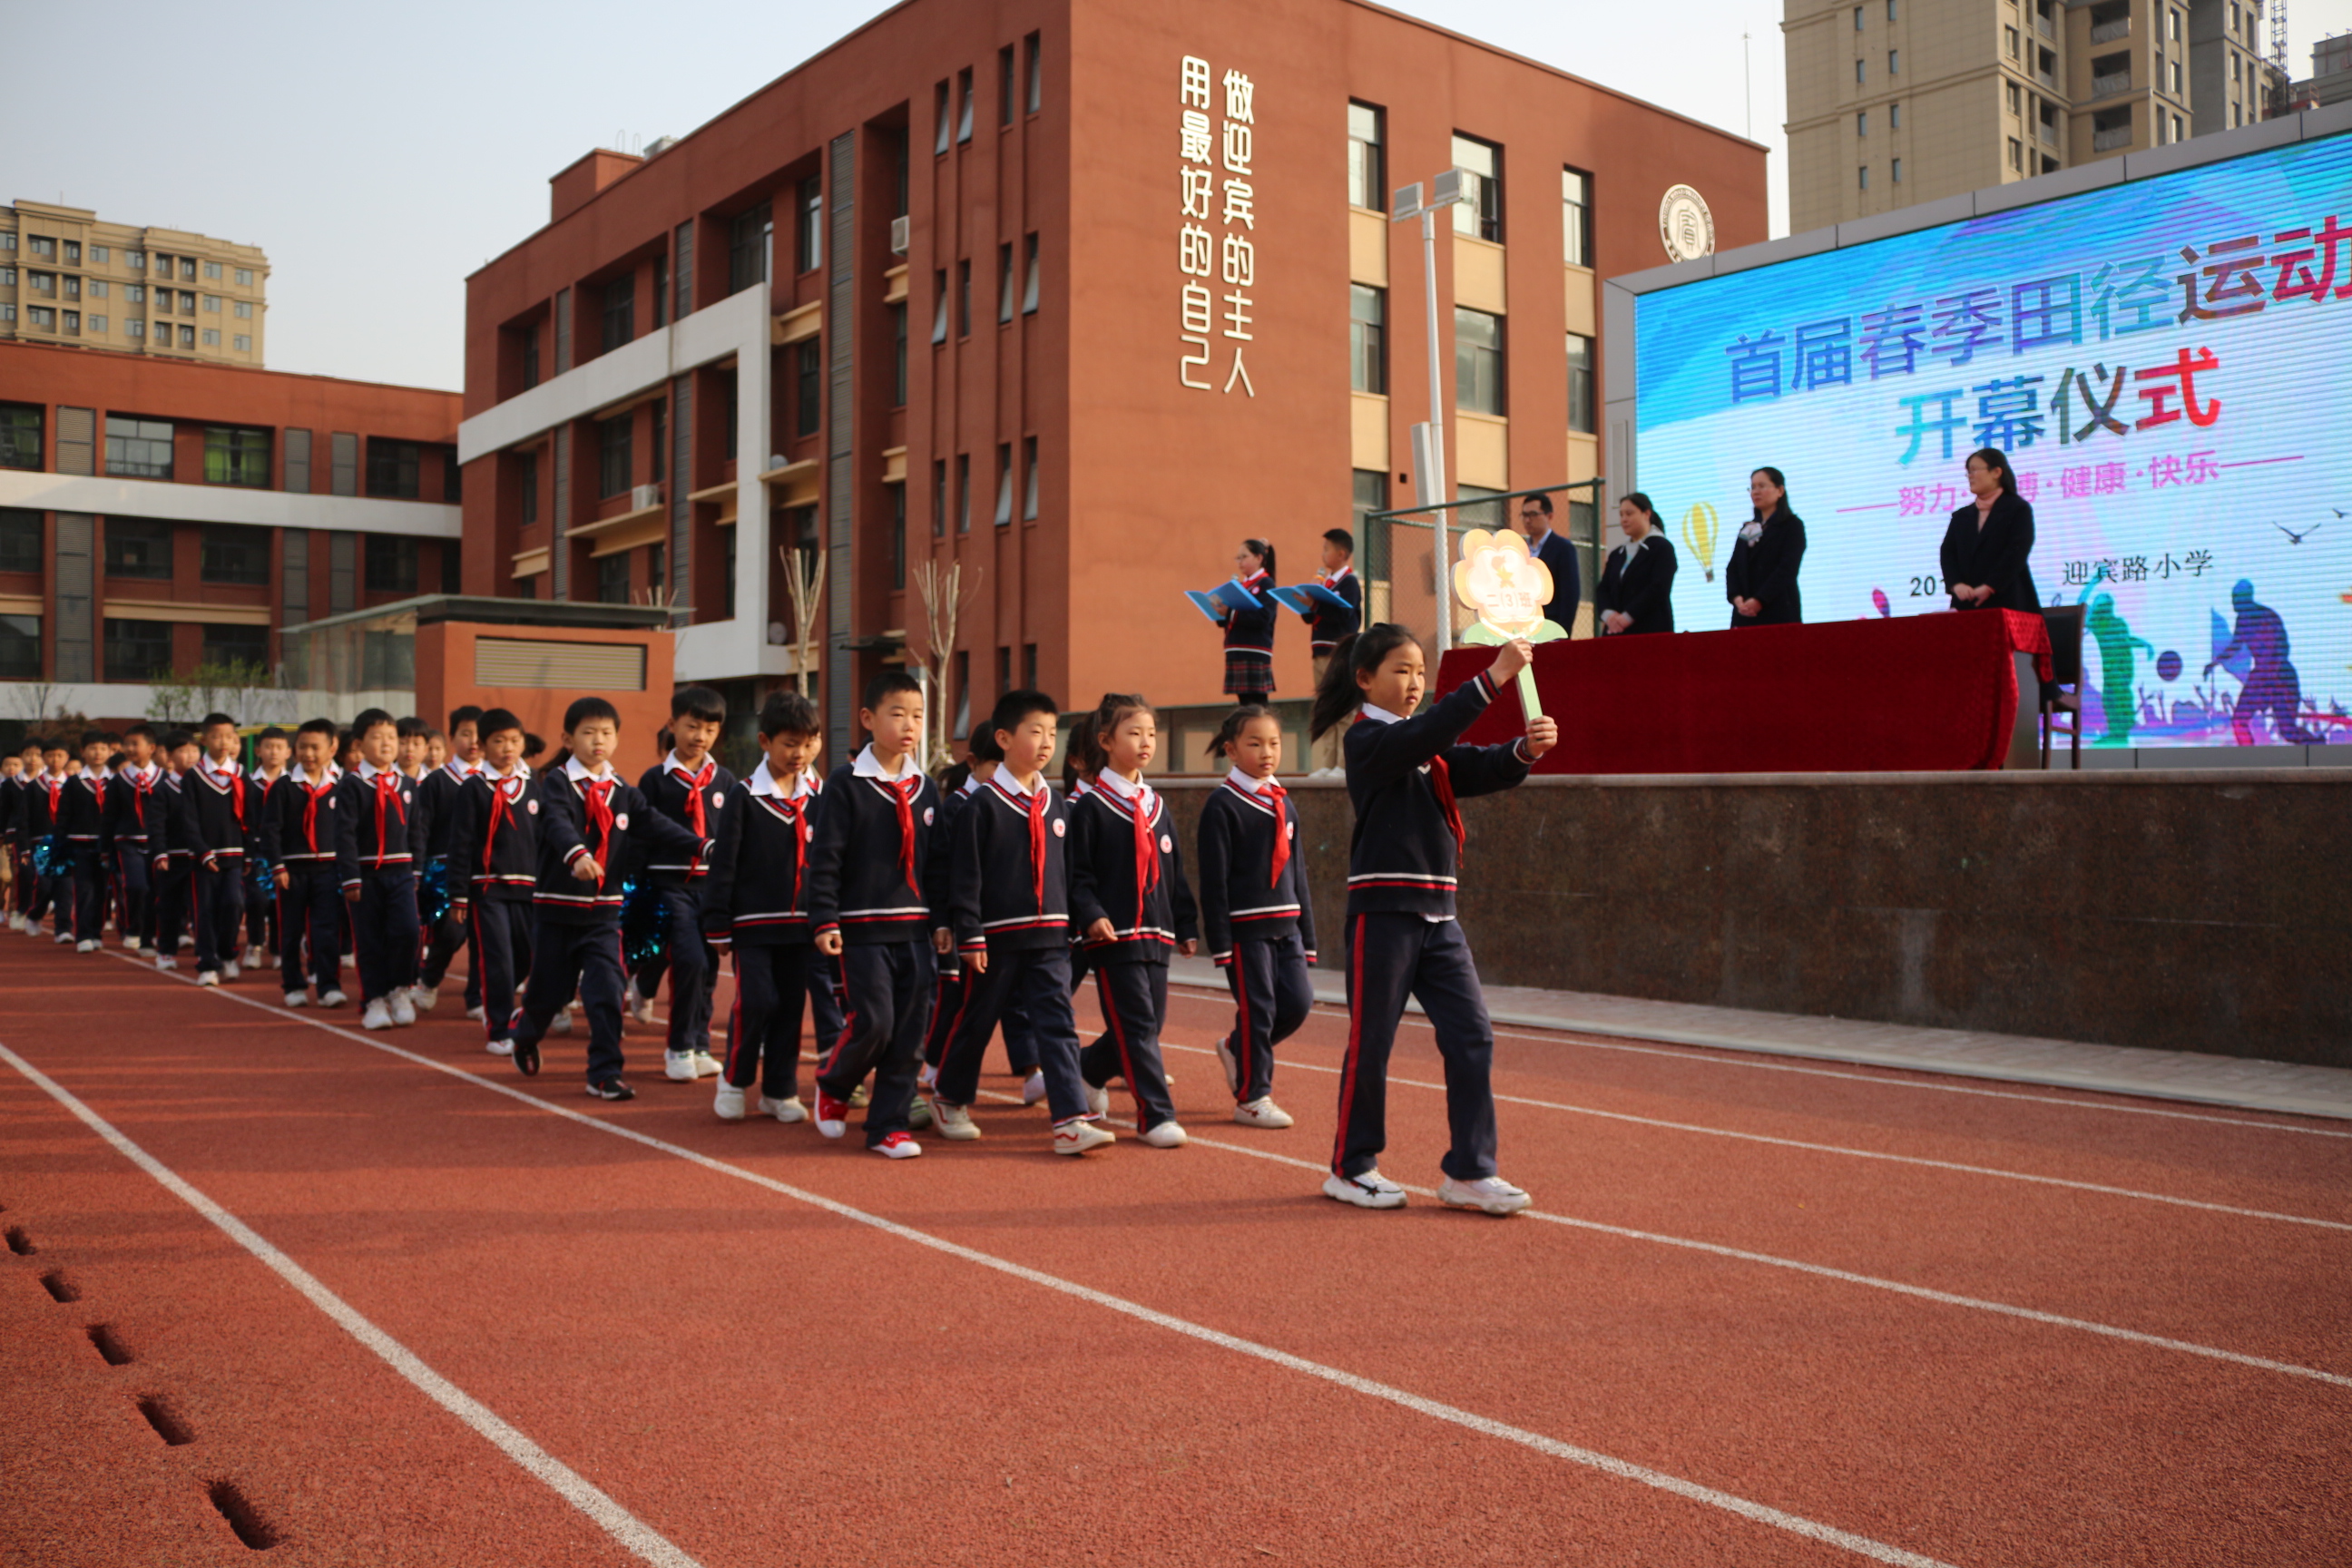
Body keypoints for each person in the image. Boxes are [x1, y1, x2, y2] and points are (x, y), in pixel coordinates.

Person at [1307, 623, 1558, 1214]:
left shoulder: (1427, 745)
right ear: (1365, 680)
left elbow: (1469, 764)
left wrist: (1524, 750)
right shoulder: (1368, 741)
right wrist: (1494, 676)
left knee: (1472, 1034)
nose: (1415, 682)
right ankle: (1351, 1166)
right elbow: (1430, 735)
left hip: (1439, 915)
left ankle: (1470, 1171)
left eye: (1421, 672)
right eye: (1401, 670)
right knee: (1373, 1043)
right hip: (1384, 910)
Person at [934, 689, 1111, 1154]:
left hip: (1051, 936)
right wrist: (969, 933)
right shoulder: (982, 806)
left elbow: (1071, 873)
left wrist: (1085, 918)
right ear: (1004, 738)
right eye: (1036, 732)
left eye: (1053, 733)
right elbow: (966, 877)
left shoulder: (1056, 804)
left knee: (1057, 1023)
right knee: (977, 1020)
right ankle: (950, 1096)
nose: (1047, 742)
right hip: (996, 939)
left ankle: (1070, 1119)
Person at [507, 697, 708, 1100]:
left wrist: (703, 847)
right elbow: (557, 823)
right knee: (548, 995)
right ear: (567, 738)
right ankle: (525, 1032)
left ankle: (604, 1072)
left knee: (606, 992)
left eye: (607, 733)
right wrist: (577, 856)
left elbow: (656, 824)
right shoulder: (555, 784)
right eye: (588, 732)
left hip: (602, 915)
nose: (598, 741)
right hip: (557, 912)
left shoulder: (623, 791)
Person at [805, 671, 939, 1158]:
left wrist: (944, 922)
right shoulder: (844, 785)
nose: (910, 725)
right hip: (861, 929)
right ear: (867, 718)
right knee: (875, 1022)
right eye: (897, 713)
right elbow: (826, 859)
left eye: (918, 716)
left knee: (909, 1033)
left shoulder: (925, 788)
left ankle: (888, 1125)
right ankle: (835, 1082)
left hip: (915, 929)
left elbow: (937, 863)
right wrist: (823, 920)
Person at [1068, 692, 1199, 1148]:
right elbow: (1077, 876)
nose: (1146, 741)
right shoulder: (1090, 808)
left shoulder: (1156, 806)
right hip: (1114, 936)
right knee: (1139, 1025)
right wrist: (1092, 915)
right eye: (1134, 733)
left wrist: (1185, 924)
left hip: (1156, 934)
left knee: (1148, 1024)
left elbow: (1174, 872)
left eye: (1151, 733)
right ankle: (1155, 1115)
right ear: (1105, 740)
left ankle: (1088, 1069)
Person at [701, 691, 822, 1124]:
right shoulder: (744, 796)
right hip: (753, 924)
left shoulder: (821, 796)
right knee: (756, 1002)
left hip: (802, 927)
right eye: (790, 743)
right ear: (765, 742)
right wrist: (717, 923)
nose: (800, 753)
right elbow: (724, 864)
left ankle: (780, 1089)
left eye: (809, 743)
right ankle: (734, 1079)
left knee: (791, 1006)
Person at [1195, 703, 1314, 1130]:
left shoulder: (1284, 802)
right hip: (1247, 933)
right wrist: (1222, 943)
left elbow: (1297, 871)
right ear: (1231, 749)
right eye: (1255, 743)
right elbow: (1215, 883)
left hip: (1288, 931)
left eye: (1275, 743)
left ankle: (1235, 1047)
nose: (1267, 752)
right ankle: (1252, 1097)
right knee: (1259, 1011)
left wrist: (1309, 936)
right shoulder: (1222, 806)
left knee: (1298, 1005)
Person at [636, 686, 735, 1083]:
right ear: (673, 724)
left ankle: (700, 1044)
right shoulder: (654, 781)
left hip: (710, 889)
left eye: (710, 729)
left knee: (709, 966)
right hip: (669, 884)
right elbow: (642, 835)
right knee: (689, 960)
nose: (700, 736)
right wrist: (638, 888)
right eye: (692, 726)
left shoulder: (725, 780)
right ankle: (677, 1048)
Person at [446, 708, 537, 1056]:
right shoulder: (474, 788)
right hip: (488, 890)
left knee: (529, 957)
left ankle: (513, 1008)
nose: (507, 748)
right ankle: (498, 1027)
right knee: (497, 957)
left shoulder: (534, 786)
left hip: (529, 889)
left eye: (514, 741)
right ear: (483, 746)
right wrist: (458, 894)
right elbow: (461, 842)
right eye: (498, 741)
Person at [335, 710, 428, 1030]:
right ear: (360, 744)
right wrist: (349, 876)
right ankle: (373, 999)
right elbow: (344, 833)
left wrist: (417, 869)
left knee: (408, 931)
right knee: (369, 938)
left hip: (401, 872)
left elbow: (416, 829)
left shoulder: (407, 783)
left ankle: (398, 989)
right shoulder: (352, 785)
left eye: (393, 738)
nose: (387, 744)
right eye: (378, 737)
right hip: (364, 874)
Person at [264, 718, 349, 1009]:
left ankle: (328, 985)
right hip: (292, 871)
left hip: (328, 870)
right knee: (291, 930)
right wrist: (277, 866)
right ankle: (293, 984)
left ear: (332, 749)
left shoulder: (340, 786)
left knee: (326, 930)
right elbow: (271, 830)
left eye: (316, 747)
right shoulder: (283, 787)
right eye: (302, 747)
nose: (308, 753)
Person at [413, 706, 484, 1019]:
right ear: (452, 737)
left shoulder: (496, 781)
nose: (474, 741)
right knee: (451, 933)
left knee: (487, 936)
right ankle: (429, 978)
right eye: (465, 733)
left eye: (480, 734)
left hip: (486, 871)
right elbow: (422, 828)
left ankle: (476, 996)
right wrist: (419, 868)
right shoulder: (437, 782)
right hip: (443, 871)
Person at [185, 712, 259, 986]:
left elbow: (250, 817)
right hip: (205, 858)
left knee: (234, 904)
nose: (223, 742)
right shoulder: (194, 777)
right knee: (205, 910)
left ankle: (227, 953)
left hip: (235, 855)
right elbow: (188, 819)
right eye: (216, 736)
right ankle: (207, 963)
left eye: (229, 736)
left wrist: (250, 851)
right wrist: (202, 851)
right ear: (204, 740)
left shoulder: (240, 774)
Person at [2208, 579, 2327, 746]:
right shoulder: (2242, 620)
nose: (2233, 602)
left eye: (2235, 598)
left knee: (2288, 731)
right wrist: (2214, 663)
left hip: (2281, 677)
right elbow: (2235, 645)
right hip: (2262, 676)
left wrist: (2272, 673)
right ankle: (2250, 760)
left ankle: (2316, 745)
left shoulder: (2268, 615)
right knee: (2239, 720)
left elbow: (2283, 646)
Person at [1940, 448, 2041, 614]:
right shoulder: (1961, 516)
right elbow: (1948, 552)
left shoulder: (2017, 509)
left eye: (1974, 470)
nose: (1970, 476)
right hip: (1966, 603)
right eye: (1968, 472)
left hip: (2007, 600)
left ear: (1996, 472)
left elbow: (2017, 550)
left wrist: (1990, 586)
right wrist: (1956, 584)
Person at [103, 725, 163, 953]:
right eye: (126, 743)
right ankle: (134, 929)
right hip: (128, 841)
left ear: (152, 748)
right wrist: (106, 848)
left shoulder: (163, 778)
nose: (129, 748)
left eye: (134, 744)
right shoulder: (118, 781)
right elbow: (109, 816)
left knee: (157, 889)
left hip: (157, 843)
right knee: (137, 886)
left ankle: (154, 933)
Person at [1725, 466, 1806, 627]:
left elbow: (1787, 568)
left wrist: (1760, 600)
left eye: (1762, 486)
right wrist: (1737, 598)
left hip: (1779, 610)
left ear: (1780, 490)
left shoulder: (1791, 525)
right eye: (1753, 487)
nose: (1755, 492)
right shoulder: (1748, 528)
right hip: (1745, 614)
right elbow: (1733, 567)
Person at [149, 730, 200, 968]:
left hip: (200, 857)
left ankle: (206, 950)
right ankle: (166, 951)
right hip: (173, 857)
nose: (190, 756)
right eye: (183, 751)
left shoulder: (206, 786)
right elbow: (156, 824)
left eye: (194, 750)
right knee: (169, 906)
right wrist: (160, 852)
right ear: (169, 756)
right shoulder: (163, 789)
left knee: (203, 906)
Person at [59, 730, 113, 953]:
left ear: (110, 751)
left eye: (102, 748)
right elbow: (64, 814)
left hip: (107, 845)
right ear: (83, 752)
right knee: (83, 889)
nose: (97, 753)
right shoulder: (73, 783)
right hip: (80, 844)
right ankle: (83, 934)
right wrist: (61, 843)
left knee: (102, 891)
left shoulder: (117, 781)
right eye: (92, 748)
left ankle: (96, 932)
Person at [1595, 492, 1679, 636]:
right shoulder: (1617, 554)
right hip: (1616, 633)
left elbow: (1659, 587)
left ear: (1646, 514)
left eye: (1629, 514)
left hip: (1651, 632)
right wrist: (1609, 616)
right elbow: (1603, 589)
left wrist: (1627, 617)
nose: (1624, 519)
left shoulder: (1662, 548)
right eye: (1621, 515)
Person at [1217, 539, 1279, 704]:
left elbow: (1264, 617)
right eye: (1238, 558)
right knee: (1245, 706)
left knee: (1257, 706)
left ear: (1259, 558)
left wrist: (1230, 612)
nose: (1240, 562)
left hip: (1254, 651)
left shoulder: (1266, 583)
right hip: (1236, 649)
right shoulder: (1242, 586)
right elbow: (1234, 616)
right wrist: (1220, 612)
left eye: (1244, 557)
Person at [1516, 493, 1583, 637]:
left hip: (1550, 626)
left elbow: (1570, 594)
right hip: (1522, 627)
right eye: (1524, 515)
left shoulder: (1563, 548)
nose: (1528, 520)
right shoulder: (1519, 549)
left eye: (1533, 514)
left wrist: (1561, 632)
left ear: (1549, 516)